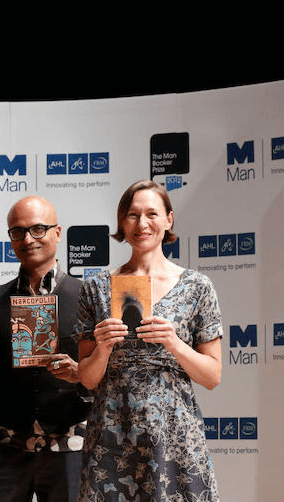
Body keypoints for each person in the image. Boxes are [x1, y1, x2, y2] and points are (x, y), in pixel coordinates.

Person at [75, 180, 222, 501]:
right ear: (121, 223)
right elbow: (86, 380)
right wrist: (102, 349)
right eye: (132, 215)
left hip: (175, 440)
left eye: (152, 214)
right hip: (111, 440)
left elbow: (212, 376)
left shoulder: (197, 287)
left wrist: (174, 343)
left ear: (169, 219)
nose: (142, 224)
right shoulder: (96, 287)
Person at [0, 196, 91, 502]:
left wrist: (82, 377)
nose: (28, 239)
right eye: (18, 231)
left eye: (38, 229)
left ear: (58, 233)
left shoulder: (89, 301)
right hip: (5, 446)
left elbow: (112, 381)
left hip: (72, 447)